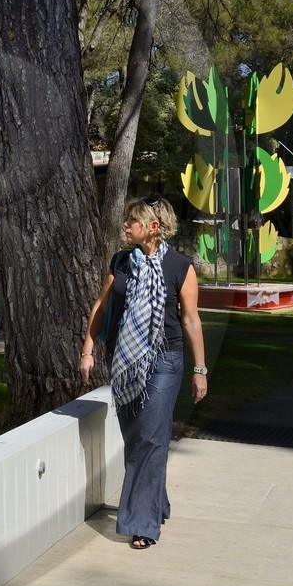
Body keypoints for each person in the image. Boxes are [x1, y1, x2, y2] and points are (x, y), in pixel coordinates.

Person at [79, 195, 208, 550]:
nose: (125, 225)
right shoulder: (121, 262)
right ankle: (157, 502)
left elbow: (191, 319)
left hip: (166, 359)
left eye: (132, 221)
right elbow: (102, 305)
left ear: (152, 228)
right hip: (124, 361)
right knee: (138, 438)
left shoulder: (180, 266)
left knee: (150, 439)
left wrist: (200, 369)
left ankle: (142, 523)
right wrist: (88, 349)